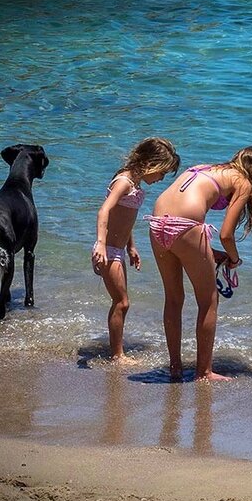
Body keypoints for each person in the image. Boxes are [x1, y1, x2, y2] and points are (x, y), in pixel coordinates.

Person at [145, 146, 252, 381]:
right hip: (186, 227)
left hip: (157, 223)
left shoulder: (205, 168)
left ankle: (175, 368)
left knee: (174, 298)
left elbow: (181, 219)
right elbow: (226, 234)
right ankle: (204, 372)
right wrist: (234, 259)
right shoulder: (243, 182)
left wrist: (210, 252)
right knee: (208, 302)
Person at [92, 136, 182, 363]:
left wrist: (131, 246)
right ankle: (117, 355)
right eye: (162, 173)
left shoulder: (135, 183)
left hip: (118, 249)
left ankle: (116, 351)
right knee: (121, 302)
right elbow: (104, 211)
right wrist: (101, 244)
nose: (161, 179)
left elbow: (123, 218)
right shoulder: (124, 182)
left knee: (121, 301)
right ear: (152, 164)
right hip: (108, 250)